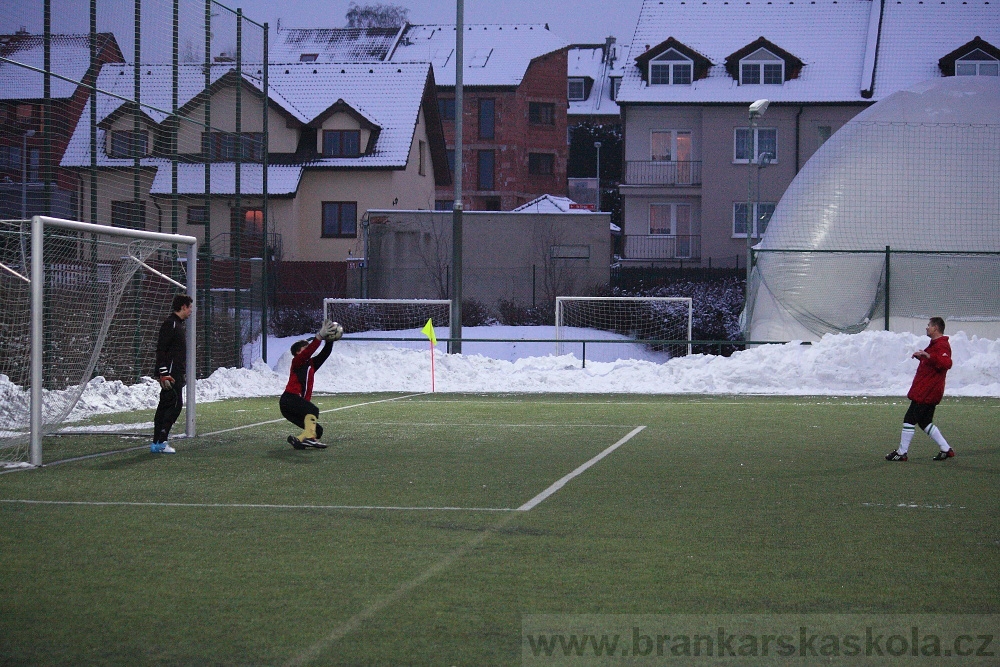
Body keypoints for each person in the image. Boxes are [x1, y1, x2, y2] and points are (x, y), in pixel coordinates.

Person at [886, 317, 955, 462]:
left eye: (929, 325)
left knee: (909, 419)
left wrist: (928, 356)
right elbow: (934, 363)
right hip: (928, 390)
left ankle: (902, 452)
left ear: (936, 328)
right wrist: (923, 357)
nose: (926, 328)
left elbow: (946, 363)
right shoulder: (935, 344)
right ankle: (946, 449)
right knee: (925, 422)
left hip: (928, 391)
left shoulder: (942, 345)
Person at [280, 319, 342, 449]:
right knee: (313, 410)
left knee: (318, 431)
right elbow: (310, 351)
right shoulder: (297, 362)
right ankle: (308, 438)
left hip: (295, 405)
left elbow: (324, 354)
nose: (308, 349)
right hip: (289, 400)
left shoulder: (311, 364)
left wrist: (329, 341)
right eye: (305, 348)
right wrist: (319, 336)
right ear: (298, 352)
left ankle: (301, 440)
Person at [152, 294, 193, 453]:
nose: (191, 311)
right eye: (189, 307)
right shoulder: (171, 324)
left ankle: (157, 443)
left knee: (165, 406)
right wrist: (163, 372)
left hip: (176, 372)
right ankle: (161, 442)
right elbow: (161, 349)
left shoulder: (178, 325)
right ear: (183, 307)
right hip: (170, 373)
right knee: (174, 406)